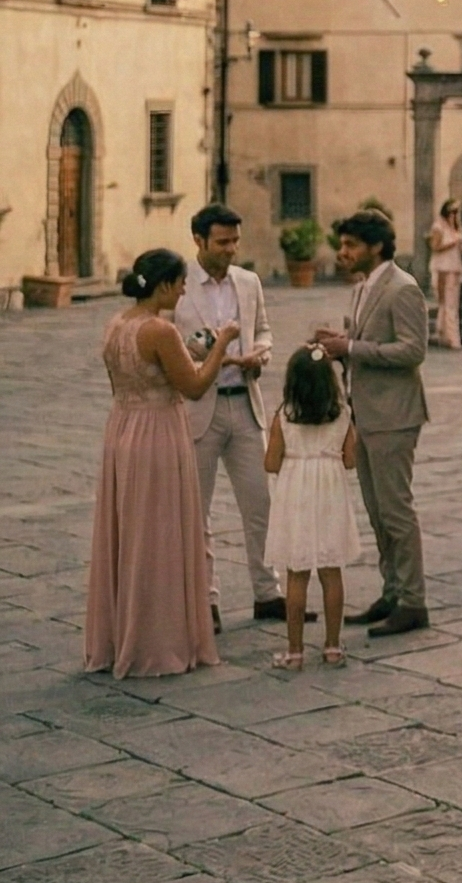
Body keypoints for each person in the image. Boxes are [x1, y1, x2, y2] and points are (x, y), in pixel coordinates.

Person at [84, 249, 234, 678]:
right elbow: (195, 386)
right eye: (181, 283)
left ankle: (121, 634)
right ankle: (156, 640)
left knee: (129, 532)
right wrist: (220, 344)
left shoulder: (116, 324)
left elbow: (130, 376)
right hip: (159, 434)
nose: (185, 290)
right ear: (165, 285)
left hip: (123, 429)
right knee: (161, 534)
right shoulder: (160, 330)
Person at [312, 211, 432, 637]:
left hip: (395, 414)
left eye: (350, 246)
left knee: (396, 511)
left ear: (376, 246)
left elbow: (413, 350)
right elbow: (368, 342)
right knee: (378, 512)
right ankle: (392, 591)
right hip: (364, 412)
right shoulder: (364, 287)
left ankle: (414, 602)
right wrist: (340, 344)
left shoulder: (403, 289)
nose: (342, 253)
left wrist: (352, 347)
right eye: (342, 245)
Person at [172, 204, 286, 630]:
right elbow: (170, 342)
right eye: (223, 242)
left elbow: (265, 330)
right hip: (199, 406)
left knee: (261, 503)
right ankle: (206, 600)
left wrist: (262, 353)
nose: (231, 250)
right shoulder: (179, 285)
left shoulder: (249, 281)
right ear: (199, 241)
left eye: (235, 241)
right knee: (196, 511)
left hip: (245, 402)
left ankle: (267, 592)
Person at [264, 346, 363, 670]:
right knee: (332, 571)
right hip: (330, 493)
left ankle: (294, 652)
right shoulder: (344, 414)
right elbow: (350, 460)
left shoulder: (283, 415)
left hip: (297, 494)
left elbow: (270, 462)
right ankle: (333, 647)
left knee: (297, 572)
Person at [425, 200, 462, 349]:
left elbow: (456, 248)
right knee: (446, 303)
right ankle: (451, 338)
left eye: (457, 212)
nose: (454, 215)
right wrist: (454, 241)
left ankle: (445, 335)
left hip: (455, 266)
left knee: (452, 303)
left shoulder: (456, 227)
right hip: (443, 268)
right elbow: (435, 246)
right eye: (452, 212)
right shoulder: (438, 226)